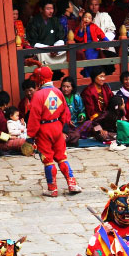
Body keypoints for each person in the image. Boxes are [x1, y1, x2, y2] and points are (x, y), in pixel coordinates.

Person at [27, 66, 81, 197]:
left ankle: (52, 188)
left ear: (40, 79)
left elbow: (34, 117)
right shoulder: (58, 92)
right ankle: (72, 183)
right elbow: (65, 113)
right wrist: (62, 128)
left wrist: (30, 136)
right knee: (62, 157)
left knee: (48, 160)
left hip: (44, 129)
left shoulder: (38, 95)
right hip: (57, 127)